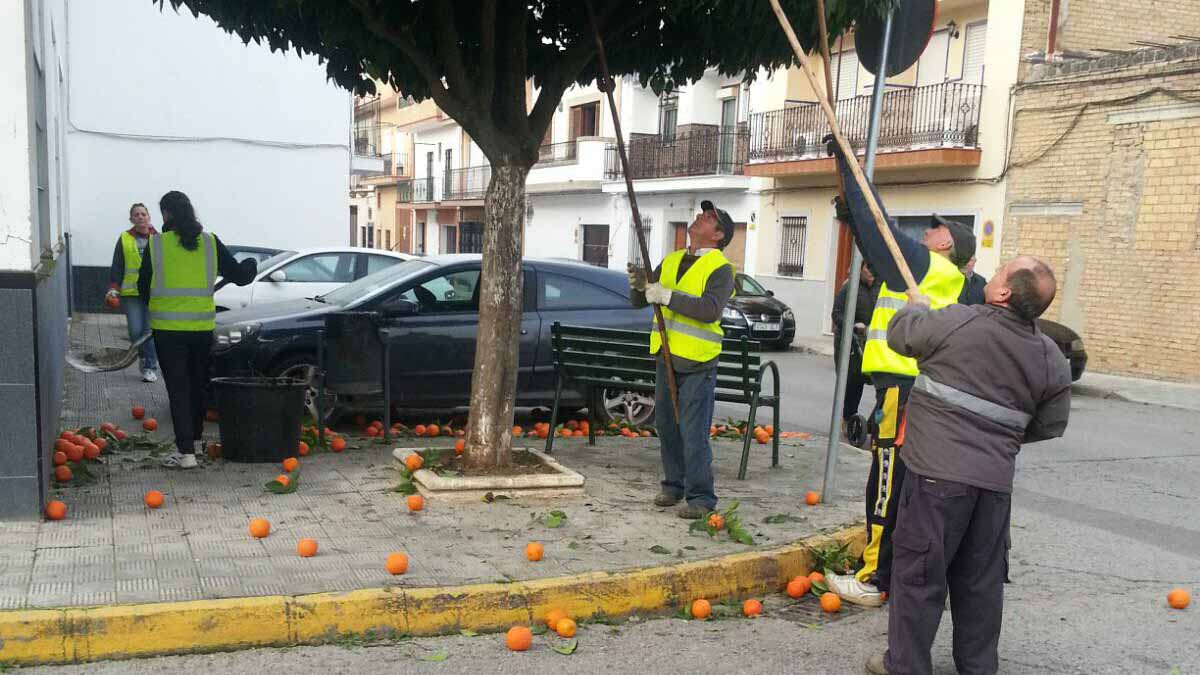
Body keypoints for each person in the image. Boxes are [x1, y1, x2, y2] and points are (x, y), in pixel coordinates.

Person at [864, 256, 1071, 675]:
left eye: (1000, 272)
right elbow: (1051, 424)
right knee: (980, 583)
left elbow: (902, 336)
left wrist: (916, 306)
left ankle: (905, 665)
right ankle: (977, 668)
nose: (992, 275)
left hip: (934, 478)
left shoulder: (958, 321)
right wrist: (1000, 439)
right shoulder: (1049, 355)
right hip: (993, 487)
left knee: (920, 575)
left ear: (1003, 292)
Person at [824, 139, 977, 608]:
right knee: (894, 487)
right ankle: (885, 571)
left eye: (933, 230)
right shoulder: (934, 273)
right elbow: (873, 238)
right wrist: (851, 207)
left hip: (902, 393)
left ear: (946, 243)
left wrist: (849, 166)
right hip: (899, 391)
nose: (926, 234)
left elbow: (881, 228)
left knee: (885, 489)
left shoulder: (933, 268)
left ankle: (874, 578)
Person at [628, 199, 736, 519]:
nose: (700, 218)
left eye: (708, 218)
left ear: (718, 236)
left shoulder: (721, 269)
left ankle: (701, 497)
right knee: (666, 424)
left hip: (698, 362)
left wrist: (667, 296)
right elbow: (642, 299)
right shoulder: (672, 260)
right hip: (667, 356)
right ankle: (673, 485)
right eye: (701, 214)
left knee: (693, 431)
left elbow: (709, 309)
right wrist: (638, 286)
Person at [138, 191, 256, 469]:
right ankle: (198, 444)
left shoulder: (157, 245)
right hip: (202, 329)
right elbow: (240, 276)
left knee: (178, 389)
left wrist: (159, 304)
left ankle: (185, 452)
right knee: (197, 386)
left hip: (167, 331)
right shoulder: (210, 242)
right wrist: (250, 265)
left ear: (166, 214)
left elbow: (144, 288)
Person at [106, 203, 160, 382]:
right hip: (132, 294)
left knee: (149, 331)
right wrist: (114, 289)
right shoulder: (124, 238)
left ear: (149, 217)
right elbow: (118, 265)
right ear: (131, 219)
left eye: (143, 214)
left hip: (154, 293)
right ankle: (143, 358)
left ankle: (150, 367)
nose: (140, 217)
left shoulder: (160, 238)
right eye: (136, 215)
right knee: (136, 331)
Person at [831, 261, 877, 443]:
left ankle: (874, 422)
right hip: (849, 344)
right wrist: (853, 325)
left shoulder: (880, 287)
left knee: (880, 382)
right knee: (853, 381)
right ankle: (848, 418)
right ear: (860, 269)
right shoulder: (849, 287)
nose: (872, 272)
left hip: (873, 342)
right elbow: (836, 313)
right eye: (868, 268)